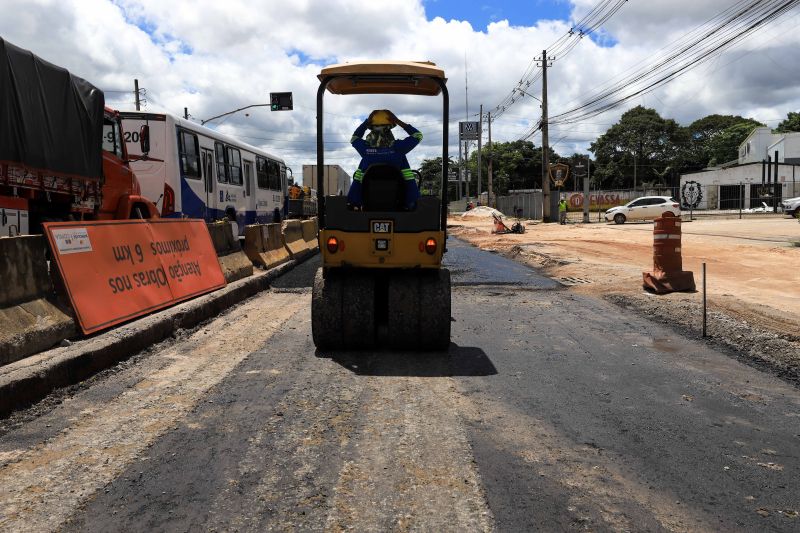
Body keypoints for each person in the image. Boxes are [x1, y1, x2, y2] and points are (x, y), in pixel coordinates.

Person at [347, 109, 423, 209]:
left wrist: (366, 122)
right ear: (389, 131)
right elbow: (418, 135)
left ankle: (355, 202)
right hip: (400, 201)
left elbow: (354, 138)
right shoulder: (398, 148)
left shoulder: (365, 150)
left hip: (366, 201)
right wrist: (397, 120)